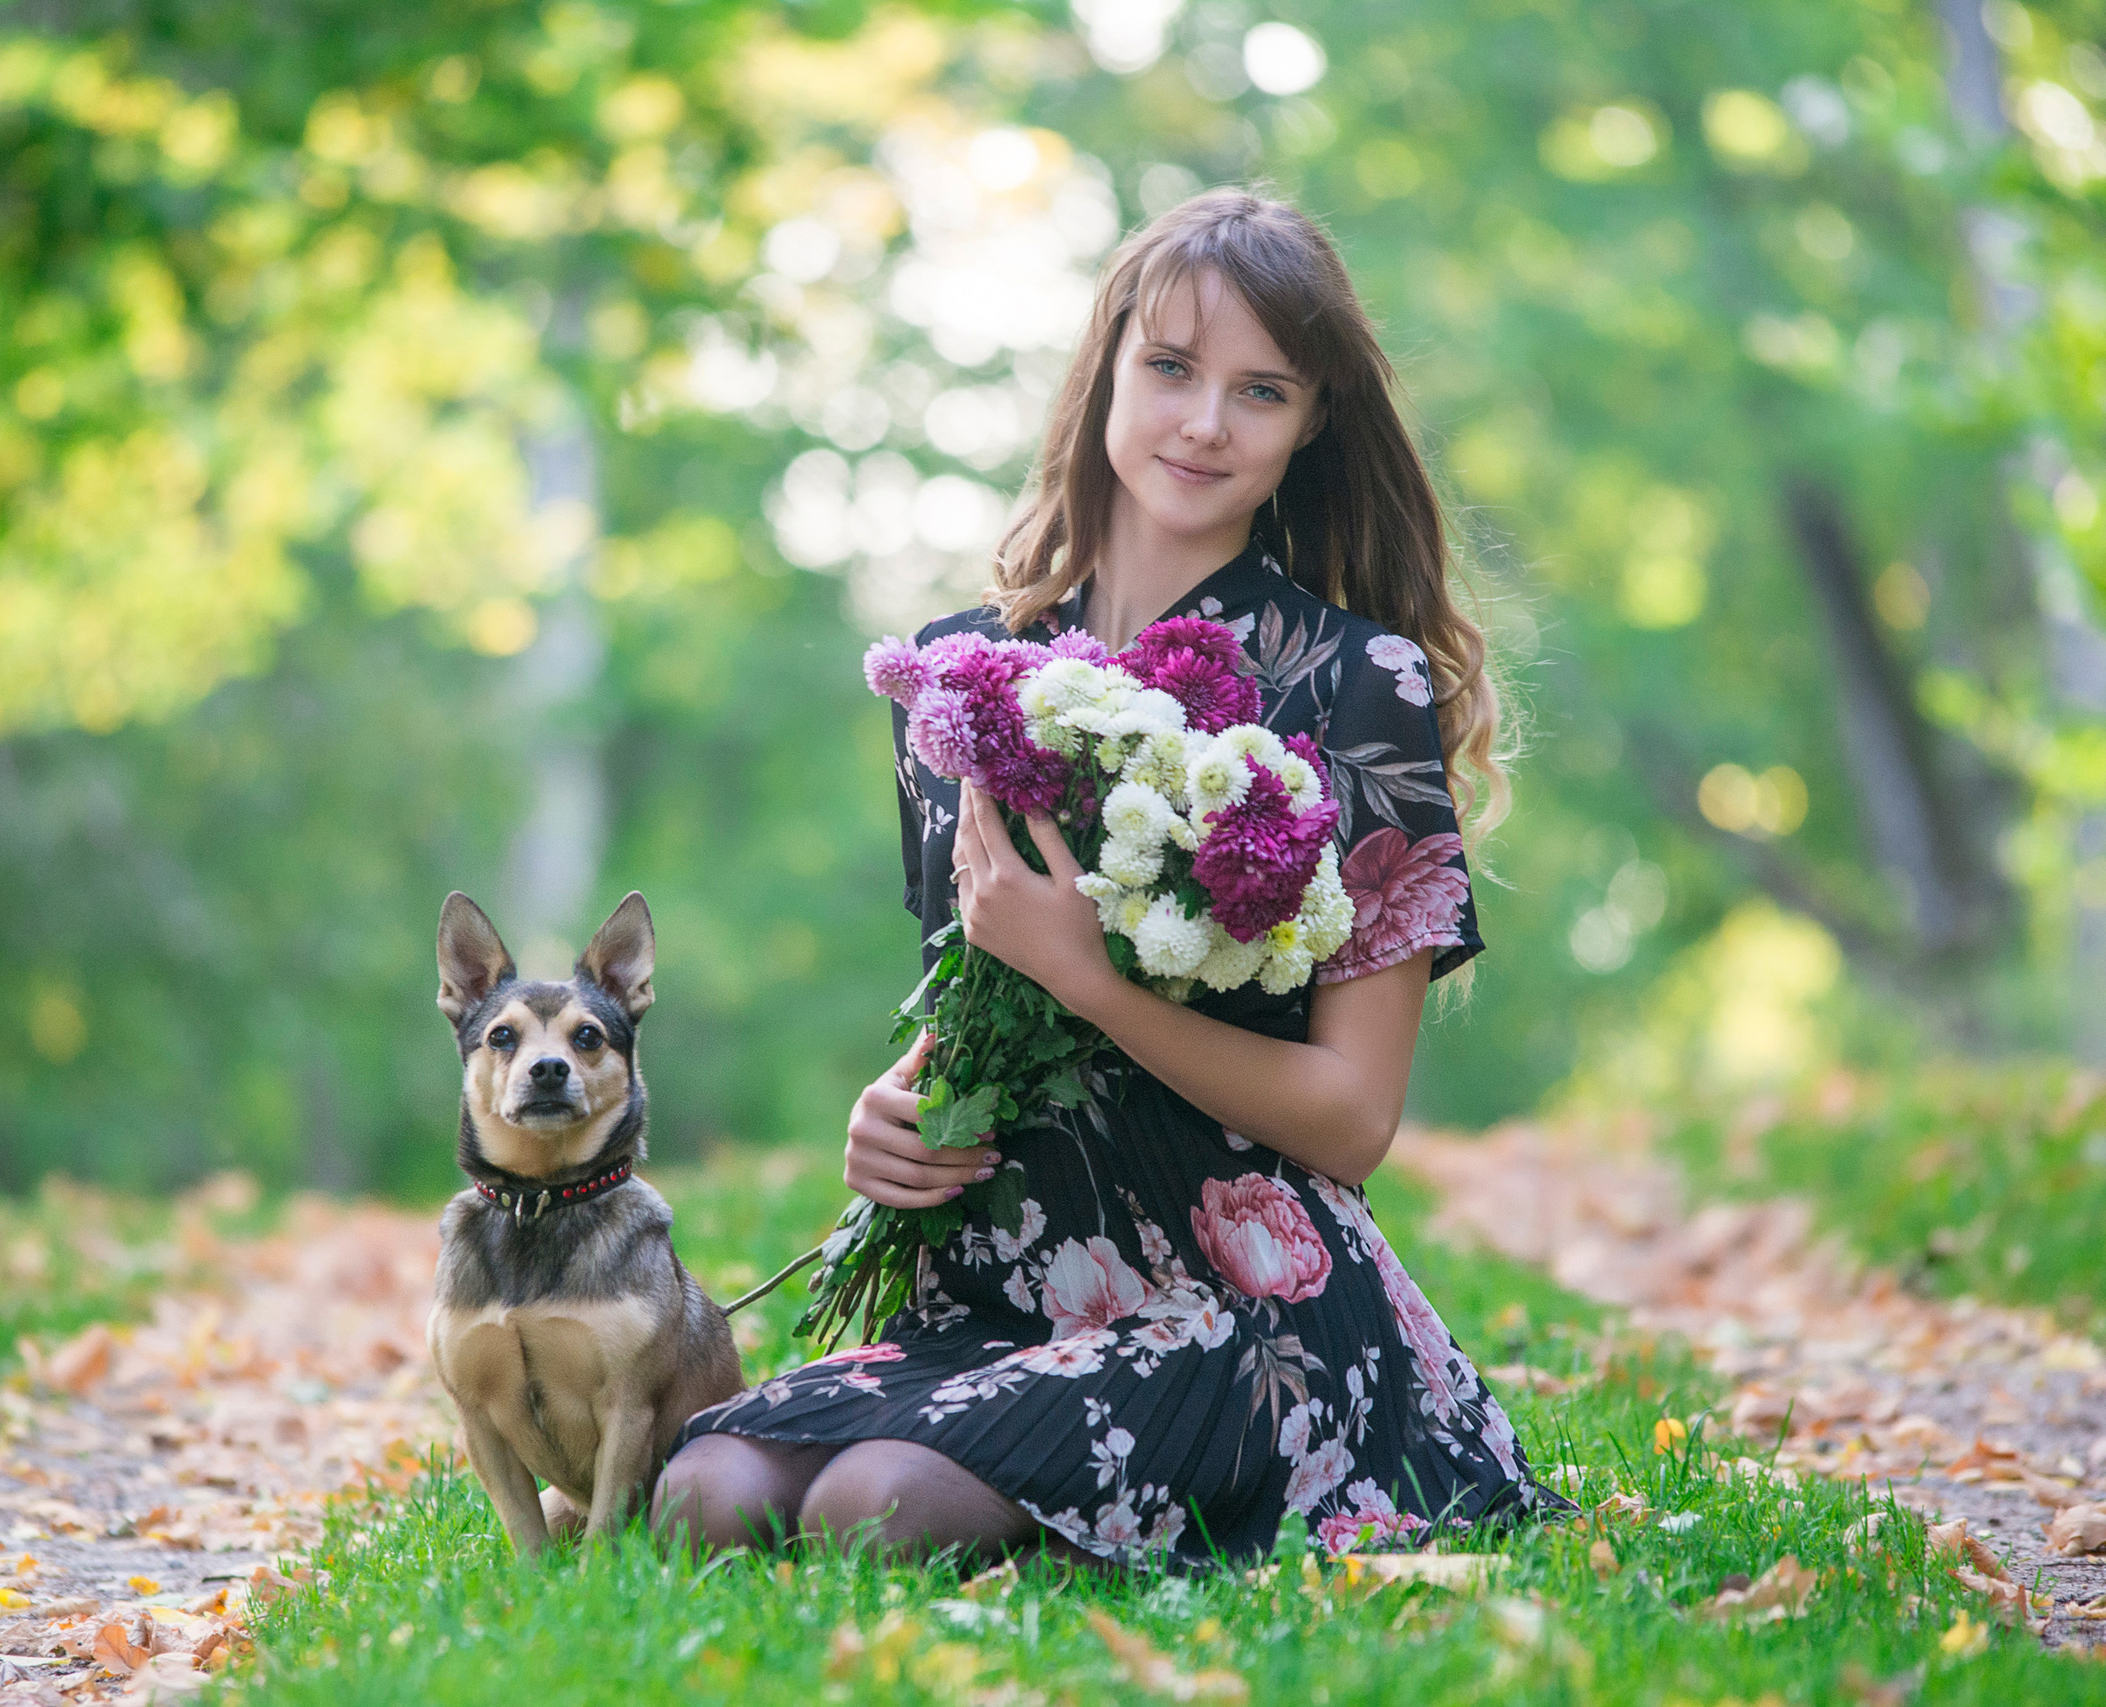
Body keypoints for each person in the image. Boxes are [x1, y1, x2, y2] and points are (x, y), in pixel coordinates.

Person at [652, 186, 1562, 1570]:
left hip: (1244, 1304)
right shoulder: (958, 677)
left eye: (1261, 391)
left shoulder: (1355, 681)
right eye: (1173, 368)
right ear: (1106, 372)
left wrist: (1093, 978)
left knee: (868, 1511)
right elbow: (978, 999)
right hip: (1002, 1284)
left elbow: (1353, 1119)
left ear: (1313, 422)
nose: (1206, 423)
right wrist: (890, 1113)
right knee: (703, 1499)